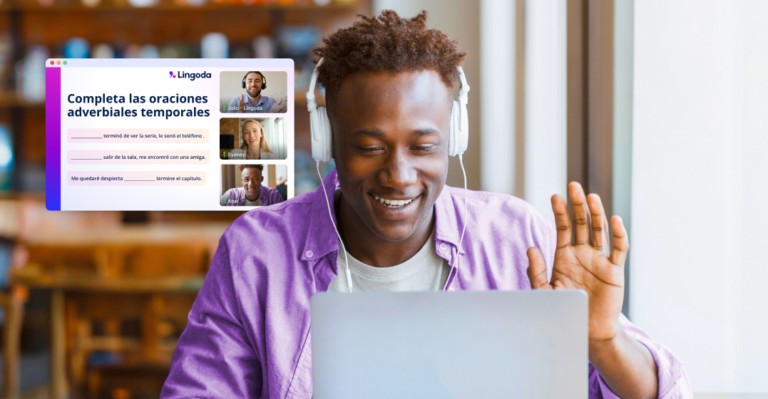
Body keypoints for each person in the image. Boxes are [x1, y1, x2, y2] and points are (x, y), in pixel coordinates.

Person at [164, 10, 691, 398]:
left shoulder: (513, 239)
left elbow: (666, 391)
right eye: (369, 147)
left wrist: (604, 341)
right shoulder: (257, 253)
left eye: (423, 146)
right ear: (327, 142)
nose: (398, 175)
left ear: (453, 137)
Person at [220, 164, 284, 206]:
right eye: (246, 179)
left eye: (255, 179)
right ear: (242, 180)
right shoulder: (230, 195)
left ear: (261, 179)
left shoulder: (273, 196)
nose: (251, 184)